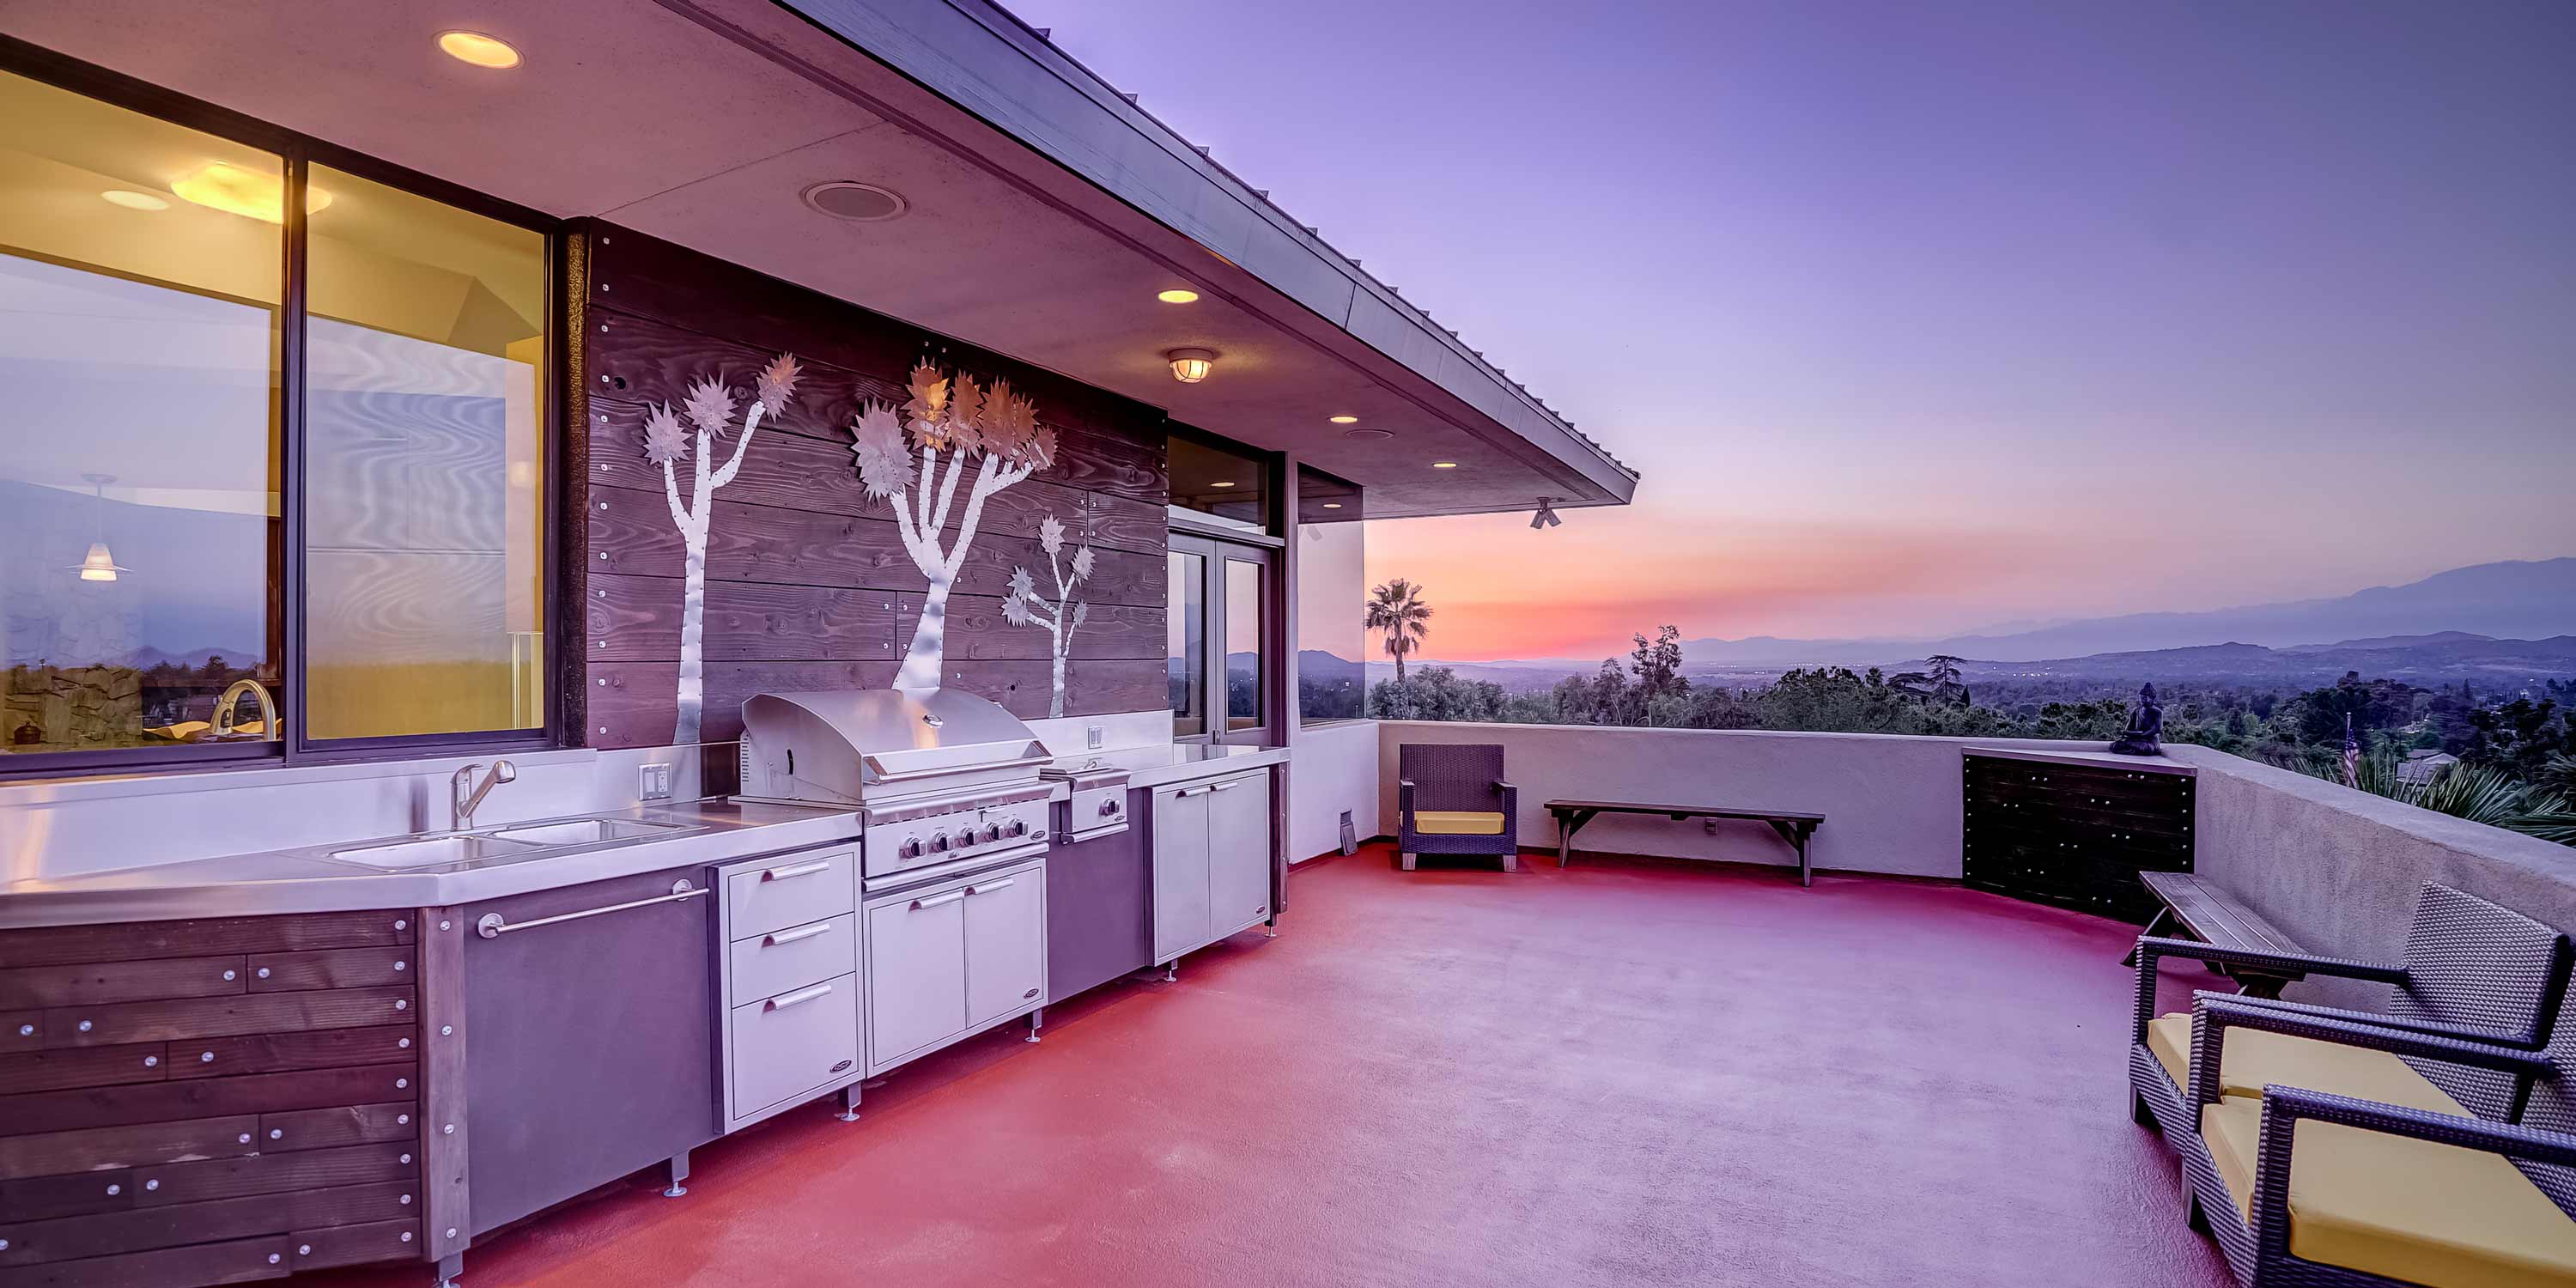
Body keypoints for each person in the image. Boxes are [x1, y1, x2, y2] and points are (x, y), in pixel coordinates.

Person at [2110, 682, 2164, 756]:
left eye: (2145, 698)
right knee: (2115, 745)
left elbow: (2156, 729)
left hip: (2148, 741)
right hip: (2135, 740)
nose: (2142, 700)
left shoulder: (2157, 712)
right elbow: (2128, 728)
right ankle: (2131, 748)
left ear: (2151, 698)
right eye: (2141, 698)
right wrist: (2126, 733)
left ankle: (2131, 748)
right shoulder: (2136, 711)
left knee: (2146, 748)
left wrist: (2141, 735)